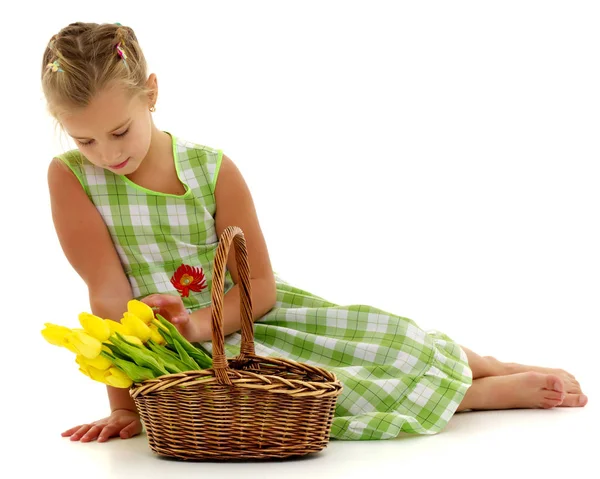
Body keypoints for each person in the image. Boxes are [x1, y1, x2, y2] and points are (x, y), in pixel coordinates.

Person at [42, 22, 587, 444]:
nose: (109, 155)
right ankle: (476, 397)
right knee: (296, 400)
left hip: (240, 312)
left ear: (151, 93)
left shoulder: (210, 169)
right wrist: (122, 405)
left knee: (381, 337)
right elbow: (108, 297)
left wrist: (198, 323)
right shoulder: (71, 178)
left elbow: (261, 285)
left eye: (119, 131)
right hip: (177, 353)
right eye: (86, 140)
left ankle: (490, 364)